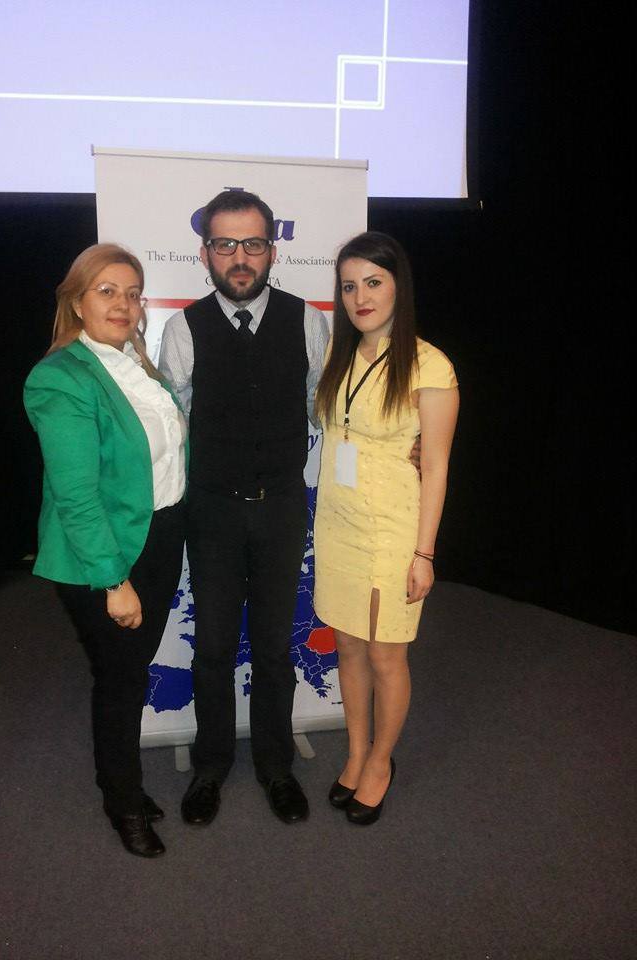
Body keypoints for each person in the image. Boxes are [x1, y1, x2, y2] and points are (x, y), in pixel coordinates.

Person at [158, 190, 330, 825]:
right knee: (213, 647)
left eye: (252, 243)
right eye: (225, 244)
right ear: (205, 253)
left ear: (272, 250)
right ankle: (211, 766)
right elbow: (173, 420)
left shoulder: (307, 321)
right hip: (213, 513)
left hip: (281, 507)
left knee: (275, 646)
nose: (239, 257)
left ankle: (276, 766)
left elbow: (321, 406)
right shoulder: (183, 329)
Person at [24, 243, 187, 857]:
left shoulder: (138, 367)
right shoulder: (60, 377)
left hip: (158, 537)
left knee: (130, 671)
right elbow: (76, 495)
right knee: (119, 678)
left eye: (132, 293)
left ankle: (122, 781)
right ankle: (122, 801)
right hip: (104, 555)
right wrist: (114, 581)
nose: (123, 304)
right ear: (76, 302)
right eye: (107, 291)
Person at [313, 231, 459, 825]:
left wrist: (424, 553)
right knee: (347, 645)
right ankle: (354, 753)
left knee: (386, 655)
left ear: (399, 285)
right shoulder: (338, 353)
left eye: (373, 282)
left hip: (393, 529)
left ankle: (380, 761)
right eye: (349, 286)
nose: (361, 297)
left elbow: (437, 464)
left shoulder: (430, 364)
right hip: (338, 523)